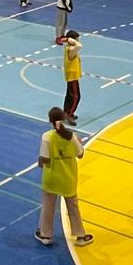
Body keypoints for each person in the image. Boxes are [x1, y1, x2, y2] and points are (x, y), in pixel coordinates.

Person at [35, 106, 92, 248]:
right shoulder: (71, 137)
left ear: (50, 120)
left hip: (51, 178)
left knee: (48, 206)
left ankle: (45, 235)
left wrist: (40, 162)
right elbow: (80, 154)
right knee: (73, 207)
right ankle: (80, 236)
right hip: (68, 177)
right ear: (64, 119)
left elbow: (44, 159)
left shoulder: (47, 137)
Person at [61, 30, 83, 125]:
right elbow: (79, 46)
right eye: (77, 39)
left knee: (69, 96)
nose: (78, 41)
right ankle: (69, 114)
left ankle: (65, 112)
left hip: (72, 76)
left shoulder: (69, 48)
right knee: (76, 97)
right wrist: (69, 39)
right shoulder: (71, 50)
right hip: (72, 77)